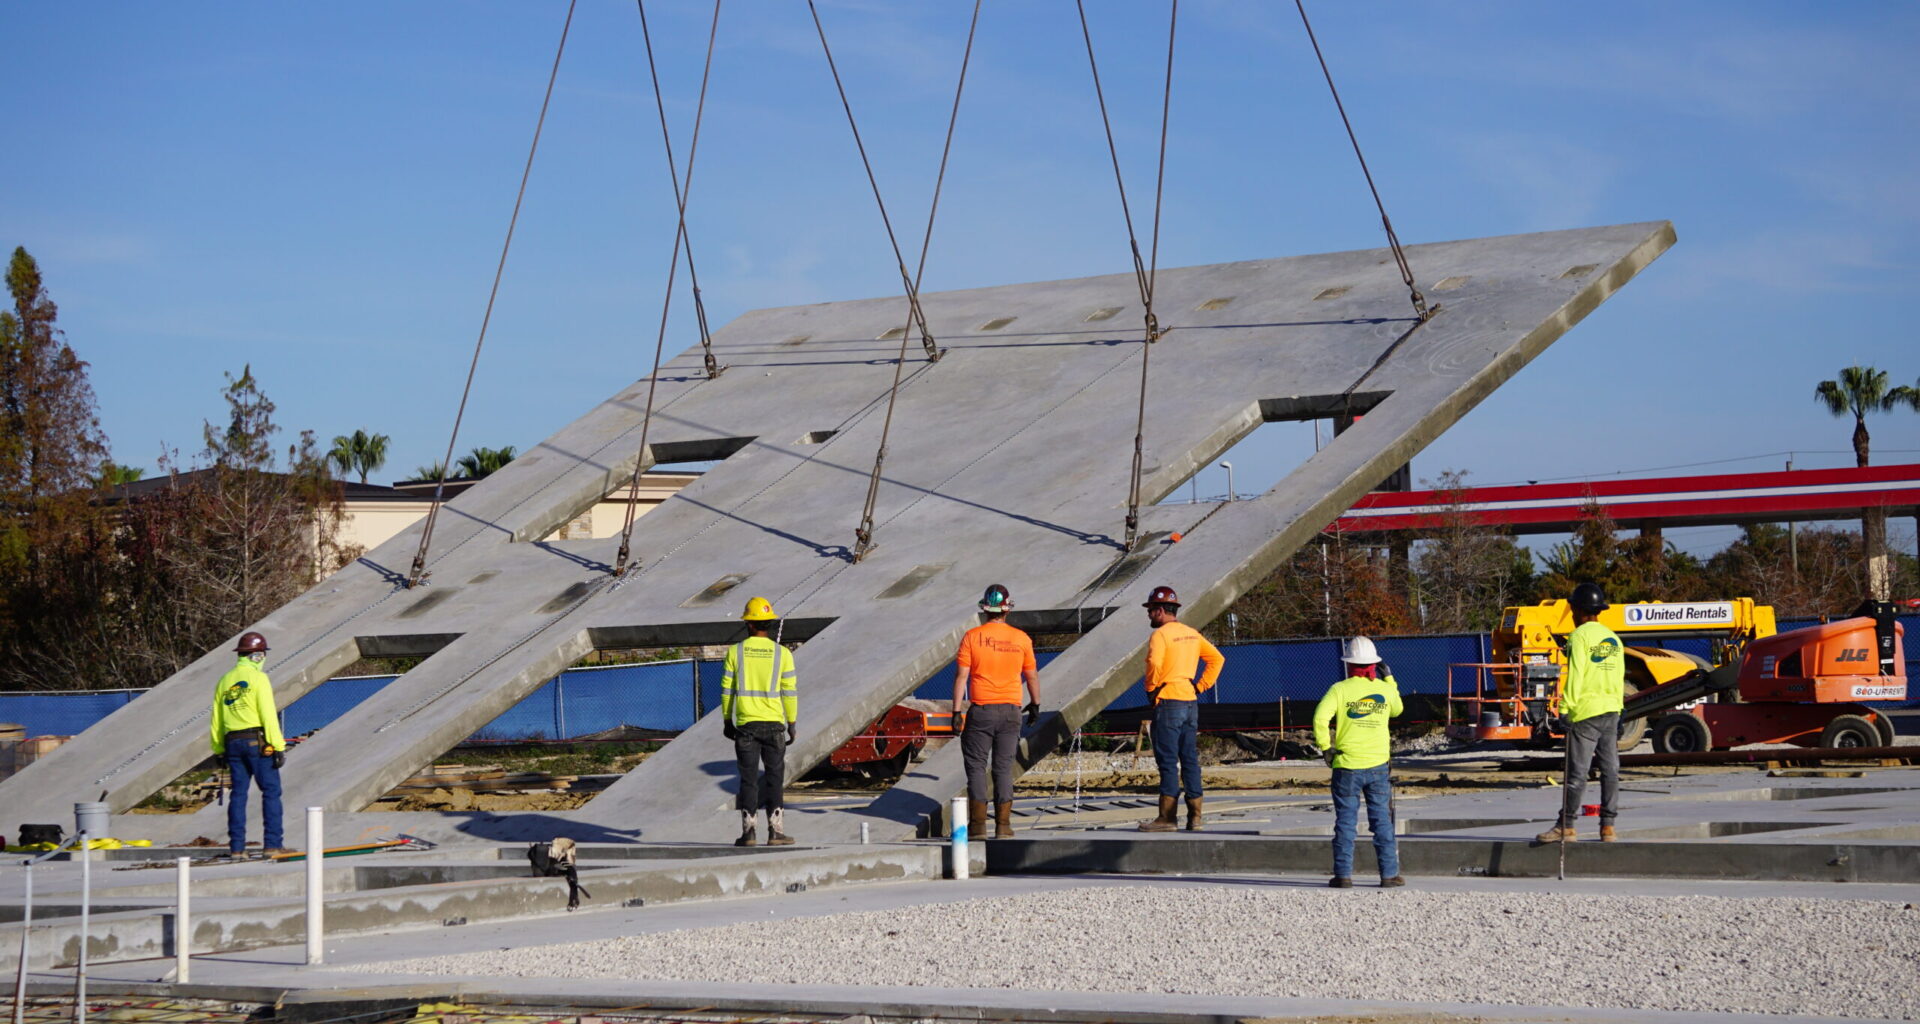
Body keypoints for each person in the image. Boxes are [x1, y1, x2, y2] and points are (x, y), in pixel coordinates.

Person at [1536, 582, 1626, 844]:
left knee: (1577, 773)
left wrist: (1564, 710)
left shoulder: (1578, 637)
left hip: (1585, 713)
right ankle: (1608, 828)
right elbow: (1618, 676)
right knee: (1610, 771)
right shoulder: (1613, 639)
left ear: (1578, 610)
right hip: (1611, 710)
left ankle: (1566, 826)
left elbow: (1575, 675)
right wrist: (1619, 708)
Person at [1313, 636, 1405, 888]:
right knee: (1382, 821)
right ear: (1375, 664)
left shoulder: (1339, 689)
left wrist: (1326, 747)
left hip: (1346, 765)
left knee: (1345, 822)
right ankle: (1389, 875)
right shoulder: (1385, 689)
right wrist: (1390, 679)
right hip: (1378, 766)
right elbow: (1398, 709)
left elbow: (1320, 718)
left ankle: (1343, 876)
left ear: (1349, 664)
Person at [952, 584, 1041, 840]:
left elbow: (961, 677)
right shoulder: (1021, 638)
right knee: (1003, 768)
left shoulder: (972, 637)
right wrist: (1035, 704)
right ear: (1007, 609)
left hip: (981, 711)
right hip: (1011, 711)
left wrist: (956, 711)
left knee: (976, 767)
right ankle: (1003, 826)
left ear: (985, 609)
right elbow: (1031, 676)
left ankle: (978, 826)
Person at [1136, 586, 1225, 832]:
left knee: (1167, 761)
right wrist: (1201, 686)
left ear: (1160, 610)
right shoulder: (1191, 634)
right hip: (1190, 701)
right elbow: (1217, 659)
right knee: (1189, 759)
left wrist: (1151, 689)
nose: (1149, 614)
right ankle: (1195, 817)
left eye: (1151, 610)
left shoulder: (1160, 635)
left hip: (1168, 701)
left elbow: (1154, 662)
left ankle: (1167, 818)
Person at [721, 596, 799, 847]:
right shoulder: (782, 654)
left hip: (746, 727)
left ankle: (749, 834)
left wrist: (727, 720)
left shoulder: (736, 652)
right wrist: (792, 722)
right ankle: (776, 833)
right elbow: (789, 691)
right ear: (769, 623)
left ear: (749, 624)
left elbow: (727, 690)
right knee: (774, 779)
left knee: (749, 780)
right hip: (775, 726)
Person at [211, 631, 287, 857]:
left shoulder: (224, 681)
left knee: (238, 794)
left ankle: (237, 848)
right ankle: (272, 845)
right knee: (271, 791)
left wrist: (218, 749)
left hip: (232, 743)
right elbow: (268, 715)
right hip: (257, 741)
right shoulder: (258, 678)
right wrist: (278, 746)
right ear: (257, 655)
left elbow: (217, 719)